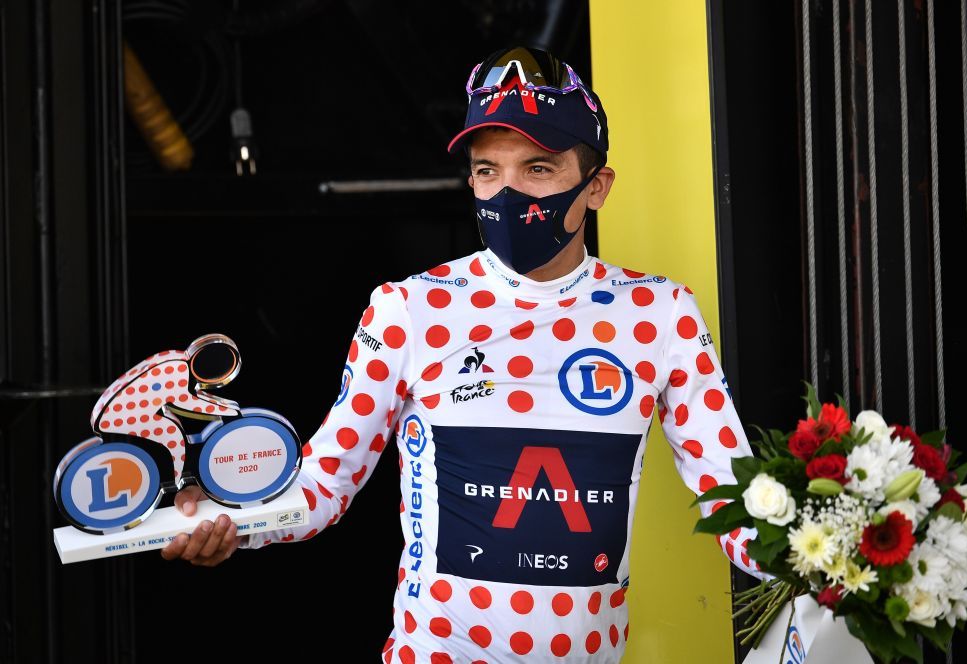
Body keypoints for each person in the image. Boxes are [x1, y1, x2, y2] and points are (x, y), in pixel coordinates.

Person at [161, 45, 765, 662]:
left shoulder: (659, 314)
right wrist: (225, 516)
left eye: (538, 168)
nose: (507, 192)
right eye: (486, 171)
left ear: (597, 187)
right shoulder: (408, 308)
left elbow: (736, 496)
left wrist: (839, 558)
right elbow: (322, 486)